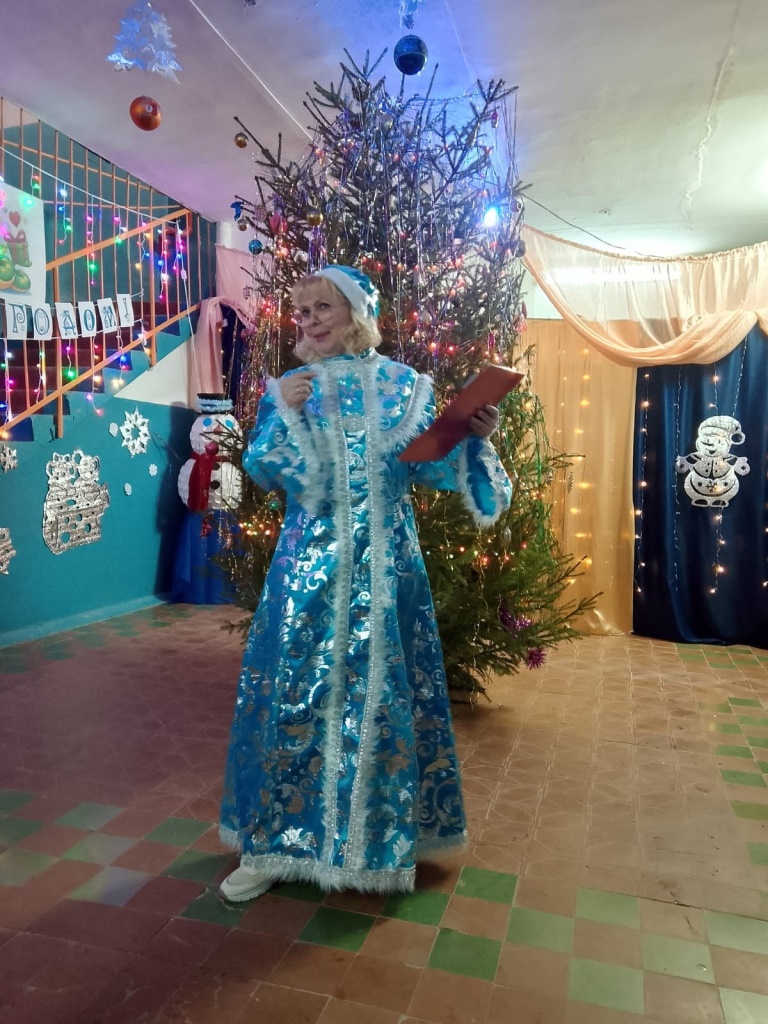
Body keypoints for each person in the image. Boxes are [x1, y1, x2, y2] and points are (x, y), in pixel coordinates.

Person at [218, 265, 513, 901]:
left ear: (356, 313)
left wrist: (474, 438)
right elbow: (266, 468)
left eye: (322, 308)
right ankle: (273, 847)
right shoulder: (290, 387)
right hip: (308, 572)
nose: (310, 321)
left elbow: (431, 469)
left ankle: (374, 845)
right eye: (303, 312)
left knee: (384, 701)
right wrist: (282, 411)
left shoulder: (406, 385)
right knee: (294, 698)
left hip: (388, 571)